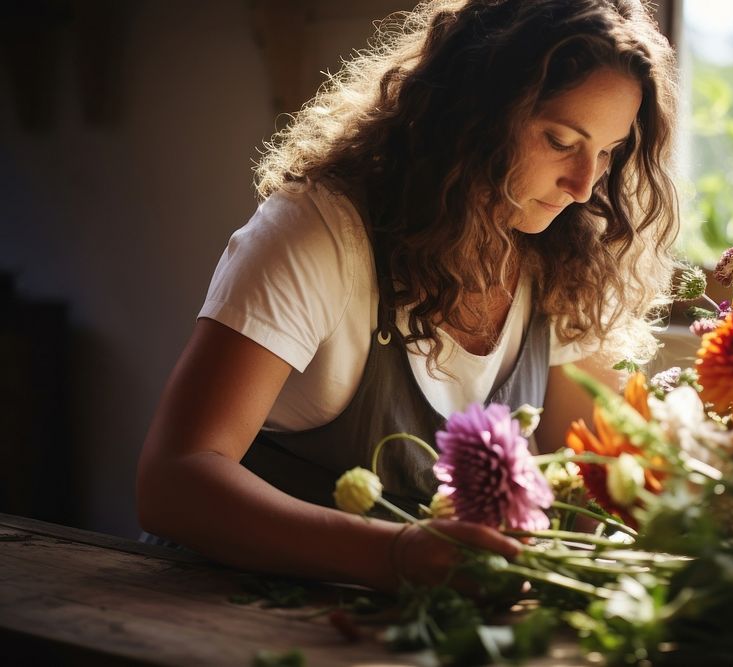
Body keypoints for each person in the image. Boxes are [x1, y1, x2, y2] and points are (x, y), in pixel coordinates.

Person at [136, 0, 679, 593]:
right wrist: (398, 556)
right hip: (211, 609)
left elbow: (591, 489)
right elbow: (173, 482)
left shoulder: (564, 261)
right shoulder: (319, 234)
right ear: (476, 114)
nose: (582, 186)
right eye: (558, 140)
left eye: (606, 152)